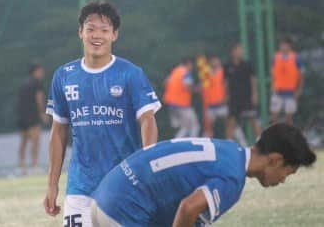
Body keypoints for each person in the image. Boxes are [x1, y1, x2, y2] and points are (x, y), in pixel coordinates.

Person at [43, 0, 161, 226]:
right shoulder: (64, 76)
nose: (97, 35)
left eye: (104, 30)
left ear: (114, 35)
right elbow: (58, 132)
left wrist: (147, 169)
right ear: (80, 32)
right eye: (91, 29)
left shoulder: (130, 73)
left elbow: (148, 121)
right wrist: (52, 184)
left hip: (124, 182)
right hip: (80, 186)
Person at [91, 123, 316, 226]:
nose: (284, 180)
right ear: (275, 160)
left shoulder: (228, 150)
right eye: (288, 172)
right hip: (123, 213)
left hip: (106, 194)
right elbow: (189, 208)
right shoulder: (233, 178)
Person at [224, 43, 261, 142]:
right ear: (232, 52)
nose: (240, 51)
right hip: (234, 99)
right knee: (230, 122)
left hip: (247, 98)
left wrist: (254, 94)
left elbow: (253, 80)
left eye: (241, 49)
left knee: (253, 121)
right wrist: (226, 95)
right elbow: (226, 82)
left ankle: (260, 144)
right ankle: (228, 146)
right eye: (238, 49)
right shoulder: (227, 66)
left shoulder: (247, 64)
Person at [16, 63, 47, 175]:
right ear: (36, 71)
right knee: (35, 142)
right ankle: (34, 166)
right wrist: (42, 113)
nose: (42, 73)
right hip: (33, 117)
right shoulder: (37, 83)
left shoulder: (23, 83)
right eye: (41, 71)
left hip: (22, 117)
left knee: (23, 142)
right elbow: (39, 98)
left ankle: (21, 167)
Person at [270, 36, 304, 125]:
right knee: (274, 116)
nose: (283, 47)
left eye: (285, 45)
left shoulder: (296, 58)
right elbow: (273, 73)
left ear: (290, 46)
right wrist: (273, 86)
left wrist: (299, 90)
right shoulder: (275, 58)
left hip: (291, 92)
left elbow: (301, 76)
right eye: (281, 45)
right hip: (278, 90)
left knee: (289, 118)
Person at [163, 58, 200, 138]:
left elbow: (165, 83)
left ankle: (175, 144)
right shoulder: (186, 73)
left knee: (184, 127)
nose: (192, 67)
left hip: (171, 105)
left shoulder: (175, 71)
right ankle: (191, 146)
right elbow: (187, 87)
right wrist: (198, 89)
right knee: (194, 126)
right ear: (189, 64)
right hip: (182, 105)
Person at [203, 55, 228, 136]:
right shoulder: (206, 73)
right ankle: (206, 145)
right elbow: (204, 87)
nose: (215, 62)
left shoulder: (223, 72)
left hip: (222, 103)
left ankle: (241, 143)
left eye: (216, 60)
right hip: (210, 105)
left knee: (230, 124)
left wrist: (226, 97)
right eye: (213, 61)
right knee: (208, 127)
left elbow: (227, 85)